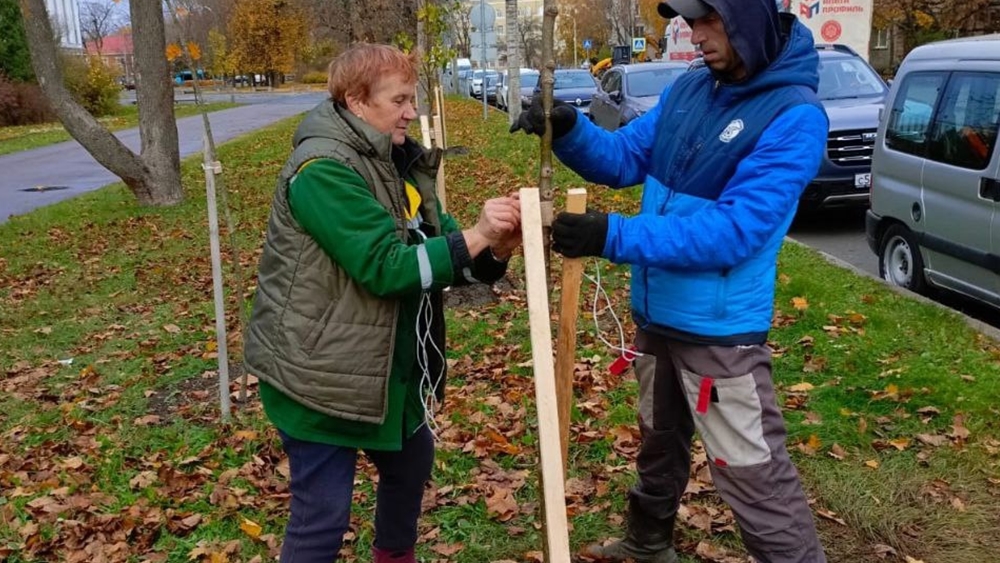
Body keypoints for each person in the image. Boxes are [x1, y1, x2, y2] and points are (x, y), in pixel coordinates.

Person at [511, 1, 828, 562]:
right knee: (658, 441)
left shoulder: (794, 116)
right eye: (690, 23)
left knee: (752, 473)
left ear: (748, 19)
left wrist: (612, 236)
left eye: (710, 21)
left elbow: (734, 231)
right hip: (656, 315)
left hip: (717, 332)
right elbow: (623, 157)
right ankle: (647, 543)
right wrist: (568, 129)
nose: (695, 35)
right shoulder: (689, 90)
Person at [244, 44, 521, 563]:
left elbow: (441, 247)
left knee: (410, 466)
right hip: (320, 376)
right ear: (356, 100)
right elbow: (388, 268)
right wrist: (478, 235)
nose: (411, 112)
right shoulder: (323, 170)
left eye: (412, 99)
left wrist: (494, 246)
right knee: (321, 519)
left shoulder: (395, 162)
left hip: (384, 371)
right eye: (399, 100)